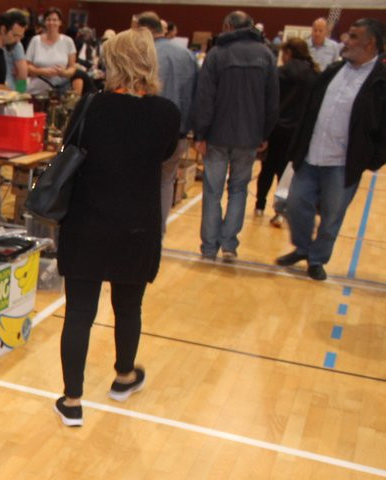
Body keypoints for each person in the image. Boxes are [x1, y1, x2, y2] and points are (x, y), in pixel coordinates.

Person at [53, 29, 180, 427]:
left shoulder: (92, 106)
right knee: (129, 308)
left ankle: (72, 400)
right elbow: (163, 161)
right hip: (137, 225)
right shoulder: (167, 113)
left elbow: (66, 146)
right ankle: (124, 376)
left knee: (79, 313)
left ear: (113, 62)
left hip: (87, 222)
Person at [277, 18, 386, 281]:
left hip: (343, 163)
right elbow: (309, 111)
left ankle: (317, 259)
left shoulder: (380, 82)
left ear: (369, 43)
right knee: (294, 204)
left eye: (353, 36)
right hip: (312, 153)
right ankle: (303, 248)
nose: (345, 41)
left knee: (332, 216)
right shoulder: (333, 71)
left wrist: (372, 160)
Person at [191, 11, 278, 261]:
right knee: (239, 189)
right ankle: (229, 245)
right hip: (250, 136)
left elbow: (204, 97)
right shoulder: (266, 55)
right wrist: (265, 133)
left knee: (212, 191)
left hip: (217, 135)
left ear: (228, 26)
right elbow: (272, 101)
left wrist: (200, 133)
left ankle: (209, 248)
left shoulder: (217, 54)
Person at [136, 12, 197, 233]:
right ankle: (157, 233)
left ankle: (139, 232)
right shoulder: (187, 54)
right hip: (178, 131)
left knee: (141, 182)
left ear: (143, 29)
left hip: (145, 131)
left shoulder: (144, 54)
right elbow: (196, 93)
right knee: (166, 182)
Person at [254, 38, 317, 219]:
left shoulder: (278, 73)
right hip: (297, 133)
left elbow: (268, 102)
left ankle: (259, 206)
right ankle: (280, 211)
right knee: (286, 173)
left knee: (266, 169)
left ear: (288, 53)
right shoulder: (314, 76)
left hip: (275, 129)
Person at [25, 8, 79, 96]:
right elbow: (26, 66)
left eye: (55, 20)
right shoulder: (35, 40)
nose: (51, 23)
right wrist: (42, 71)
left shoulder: (68, 41)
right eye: (48, 20)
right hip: (36, 91)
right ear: (44, 22)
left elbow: (72, 68)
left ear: (60, 22)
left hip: (59, 92)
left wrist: (63, 73)